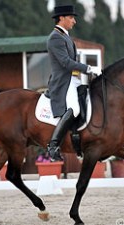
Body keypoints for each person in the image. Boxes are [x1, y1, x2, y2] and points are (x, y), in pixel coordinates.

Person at [47, 5, 101, 162]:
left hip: (74, 79)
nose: (74, 21)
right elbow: (65, 62)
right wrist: (88, 68)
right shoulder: (55, 37)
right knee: (75, 109)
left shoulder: (66, 36)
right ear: (62, 18)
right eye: (71, 18)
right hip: (64, 82)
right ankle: (53, 145)